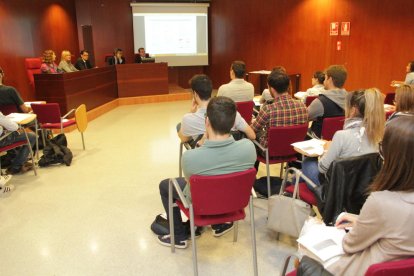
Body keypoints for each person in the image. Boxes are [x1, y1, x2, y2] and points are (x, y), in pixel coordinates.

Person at [157, 96, 257, 248]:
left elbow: (191, 186)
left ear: (207, 122)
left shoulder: (190, 157)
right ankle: (221, 223)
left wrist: (202, 140)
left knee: (166, 185)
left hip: (202, 208)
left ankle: (178, 236)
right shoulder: (248, 148)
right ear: (233, 123)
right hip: (234, 205)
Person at [322, 116, 414, 275]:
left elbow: (349, 245)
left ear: (393, 156)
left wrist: (363, 223)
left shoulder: (381, 202)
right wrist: (361, 220)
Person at [301, 88, 385, 186]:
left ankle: (290, 190)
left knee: (308, 162)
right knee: (300, 176)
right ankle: (293, 187)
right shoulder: (380, 135)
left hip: (337, 190)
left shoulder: (341, 136)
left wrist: (326, 150)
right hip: (362, 188)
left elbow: (322, 168)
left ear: (353, 110)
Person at [177, 74, 256, 145]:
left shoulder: (188, 118)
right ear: (210, 91)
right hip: (228, 156)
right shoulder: (232, 113)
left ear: (195, 94)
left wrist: (191, 112)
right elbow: (252, 135)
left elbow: (184, 139)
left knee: (179, 126)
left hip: (204, 157)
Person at [251, 70, 308, 149]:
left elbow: (252, 130)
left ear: (272, 89)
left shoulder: (268, 109)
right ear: (288, 87)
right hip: (294, 150)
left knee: (252, 133)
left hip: (271, 152)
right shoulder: (303, 106)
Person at [308, 65, 348, 138]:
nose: (324, 81)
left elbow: (305, 117)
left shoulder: (320, 102)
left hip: (318, 141)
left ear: (330, 79)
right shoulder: (351, 100)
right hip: (339, 139)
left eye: (325, 78)